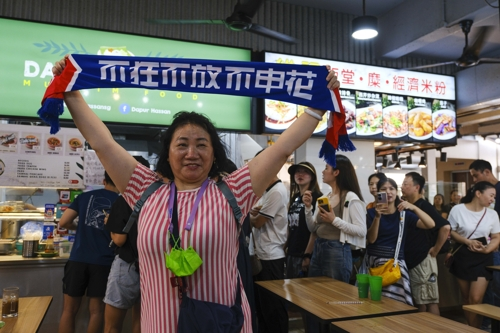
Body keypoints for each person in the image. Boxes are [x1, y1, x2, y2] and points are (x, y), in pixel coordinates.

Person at [52, 56, 340, 332]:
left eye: (202, 144)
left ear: (214, 154)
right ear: (168, 153)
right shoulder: (143, 187)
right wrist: (70, 91)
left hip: (221, 325)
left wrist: (317, 107)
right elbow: (102, 143)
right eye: (182, 145)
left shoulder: (234, 190)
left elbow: (280, 149)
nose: (192, 153)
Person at [58, 172, 120, 333]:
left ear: (104, 181)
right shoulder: (123, 202)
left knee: (69, 310)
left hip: (78, 259)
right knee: (96, 311)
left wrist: (79, 227)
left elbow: (64, 222)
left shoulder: (85, 197)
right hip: (104, 262)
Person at [363, 178, 435, 305]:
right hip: (373, 262)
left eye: (392, 189)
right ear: (378, 193)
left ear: (396, 192)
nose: (388, 192)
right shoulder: (370, 213)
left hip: (395, 265)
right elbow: (371, 239)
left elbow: (430, 224)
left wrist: (414, 207)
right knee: (371, 302)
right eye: (383, 189)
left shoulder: (404, 214)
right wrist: (377, 217)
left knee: (395, 304)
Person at [103, 156, 150, 333]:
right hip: (150, 266)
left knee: (112, 325)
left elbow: (119, 239)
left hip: (127, 266)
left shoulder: (124, 199)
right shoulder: (157, 198)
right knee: (140, 321)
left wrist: (110, 225)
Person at [304, 155, 367, 282]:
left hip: (337, 250)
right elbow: (313, 228)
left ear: (336, 172)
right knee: (316, 290)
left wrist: (334, 220)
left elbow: (361, 230)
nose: (323, 171)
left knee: (335, 293)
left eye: (326, 168)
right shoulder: (326, 197)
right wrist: (308, 208)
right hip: (319, 247)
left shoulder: (350, 197)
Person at [447, 181, 500, 328]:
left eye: (494, 196)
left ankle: (476, 329)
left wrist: (488, 249)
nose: (492, 199)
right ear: (478, 193)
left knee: (476, 298)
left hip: (483, 256)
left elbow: (496, 237)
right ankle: (472, 329)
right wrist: (467, 241)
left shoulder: (492, 214)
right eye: (490, 195)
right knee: (466, 298)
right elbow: (450, 231)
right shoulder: (458, 210)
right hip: (462, 255)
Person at [249, 151, 289, 333]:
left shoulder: (277, 191)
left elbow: (258, 222)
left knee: (274, 308)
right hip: (263, 255)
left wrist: (246, 217)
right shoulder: (267, 191)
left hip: (272, 257)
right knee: (264, 308)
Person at [401, 172, 450, 315]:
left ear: (416, 187)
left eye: (405, 184)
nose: (402, 187)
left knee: (427, 301)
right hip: (413, 259)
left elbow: (445, 227)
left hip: (423, 260)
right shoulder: (410, 205)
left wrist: (436, 249)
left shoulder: (424, 206)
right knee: (419, 301)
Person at [285, 161, 322, 278]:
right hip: (292, 251)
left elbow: (315, 230)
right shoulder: (295, 198)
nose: (300, 174)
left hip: (306, 253)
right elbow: (291, 226)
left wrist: (307, 255)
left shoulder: (317, 197)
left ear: (312, 177)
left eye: (305, 172)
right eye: (298, 171)